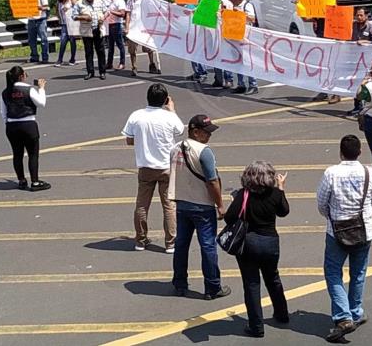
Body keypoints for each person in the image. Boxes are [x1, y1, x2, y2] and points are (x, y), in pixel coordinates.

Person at [316, 135, 372, 343]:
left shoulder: (331, 173)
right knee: (358, 273)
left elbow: (322, 203)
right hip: (364, 229)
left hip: (337, 231)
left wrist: (332, 216)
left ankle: (344, 317)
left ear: (340, 152)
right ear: (360, 152)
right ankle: (356, 311)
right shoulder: (368, 172)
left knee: (333, 272)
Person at [169, 114, 231, 301]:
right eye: (206, 132)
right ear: (195, 132)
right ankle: (212, 287)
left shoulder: (175, 149)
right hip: (202, 206)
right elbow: (212, 181)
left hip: (181, 203)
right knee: (208, 246)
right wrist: (220, 205)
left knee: (181, 244)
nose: (209, 136)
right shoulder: (204, 151)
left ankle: (179, 283)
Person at [225, 161, 290, 338]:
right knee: (273, 277)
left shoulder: (243, 195)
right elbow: (284, 211)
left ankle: (256, 325)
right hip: (270, 243)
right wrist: (281, 187)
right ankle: (282, 313)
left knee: (252, 284)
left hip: (249, 244)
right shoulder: (275, 194)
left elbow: (229, 218)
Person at [122, 84, 184, 252]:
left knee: (142, 205)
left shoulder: (136, 115)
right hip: (166, 166)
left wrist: (143, 140)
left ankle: (140, 240)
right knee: (169, 205)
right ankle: (170, 243)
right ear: (165, 100)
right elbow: (179, 130)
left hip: (145, 167)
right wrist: (171, 109)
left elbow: (129, 140)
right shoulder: (169, 117)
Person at [0, 66, 50, 191]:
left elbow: (2, 112)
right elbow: (41, 103)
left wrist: (8, 122)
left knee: (17, 154)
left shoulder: (5, 92)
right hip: (28, 125)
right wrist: (41, 88)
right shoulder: (29, 89)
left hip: (11, 126)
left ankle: (21, 180)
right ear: (21, 76)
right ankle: (35, 182)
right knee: (33, 154)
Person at [125, 0, 161, 77]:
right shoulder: (130, 1)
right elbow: (128, 14)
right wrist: (127, 26)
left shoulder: (147, 0)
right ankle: (134, 66)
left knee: (148, 48)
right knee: (132, 49)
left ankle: (152, 63)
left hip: (145, 28)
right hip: (133, 28)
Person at [73, 0, 107, 80]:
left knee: (101, 52)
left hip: (98, 29)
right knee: (89, 52)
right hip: (87, 31)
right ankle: (90, 72)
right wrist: (83, 17)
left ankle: (102, 71)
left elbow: (107, 11)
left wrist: (103, 18)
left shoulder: (99, 1)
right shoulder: (79, 3)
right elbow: (74, 16)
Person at [229, 0, 258, 95]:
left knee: (248, 61)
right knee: (238, 61)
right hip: (235, 35)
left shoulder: (247, 5)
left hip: (246, 36)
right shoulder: (233, 6)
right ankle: (241, 84)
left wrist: (241, 14)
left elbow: (252, 19)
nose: (231, 1)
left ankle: (253, 84)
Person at [211, 0, 234, 89]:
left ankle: (228, 79)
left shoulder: (227, 4)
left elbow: (230, 18)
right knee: (216, 56)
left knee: (226, 57)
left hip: (225, 33)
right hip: (215, 33)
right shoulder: (212, 4)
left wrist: (220, 15)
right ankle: (218, 79)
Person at [186, 0, 209, 82]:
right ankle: (197, 72)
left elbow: (206, 4)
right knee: (192, 49)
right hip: (189, 22)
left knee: (198, 49)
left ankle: (203, 72)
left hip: (198, 23)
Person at [104, 0, 127, 71]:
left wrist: (112, 12)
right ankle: (109, 63)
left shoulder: (119, 1)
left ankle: (122, 63)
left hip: (117, 25)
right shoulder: (111, 2)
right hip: (110, 24)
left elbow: (122, 13)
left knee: (120, 44)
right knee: (110, 46)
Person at [26, 0, 50, 64]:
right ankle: (34, 56)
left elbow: (47, 7)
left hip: (41, 20)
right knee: (31, 40)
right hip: (31, 20)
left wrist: (40, 8)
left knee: (43, 39)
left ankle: (45, 57)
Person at [54, 0, 79, 67]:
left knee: (72, 41)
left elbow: (79, 8)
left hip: (72, 24)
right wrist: (59, 20)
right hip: (64, 24)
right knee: (63, 41)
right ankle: (60, 59)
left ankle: (72, 59)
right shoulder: (59, 3)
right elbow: (57, 12)